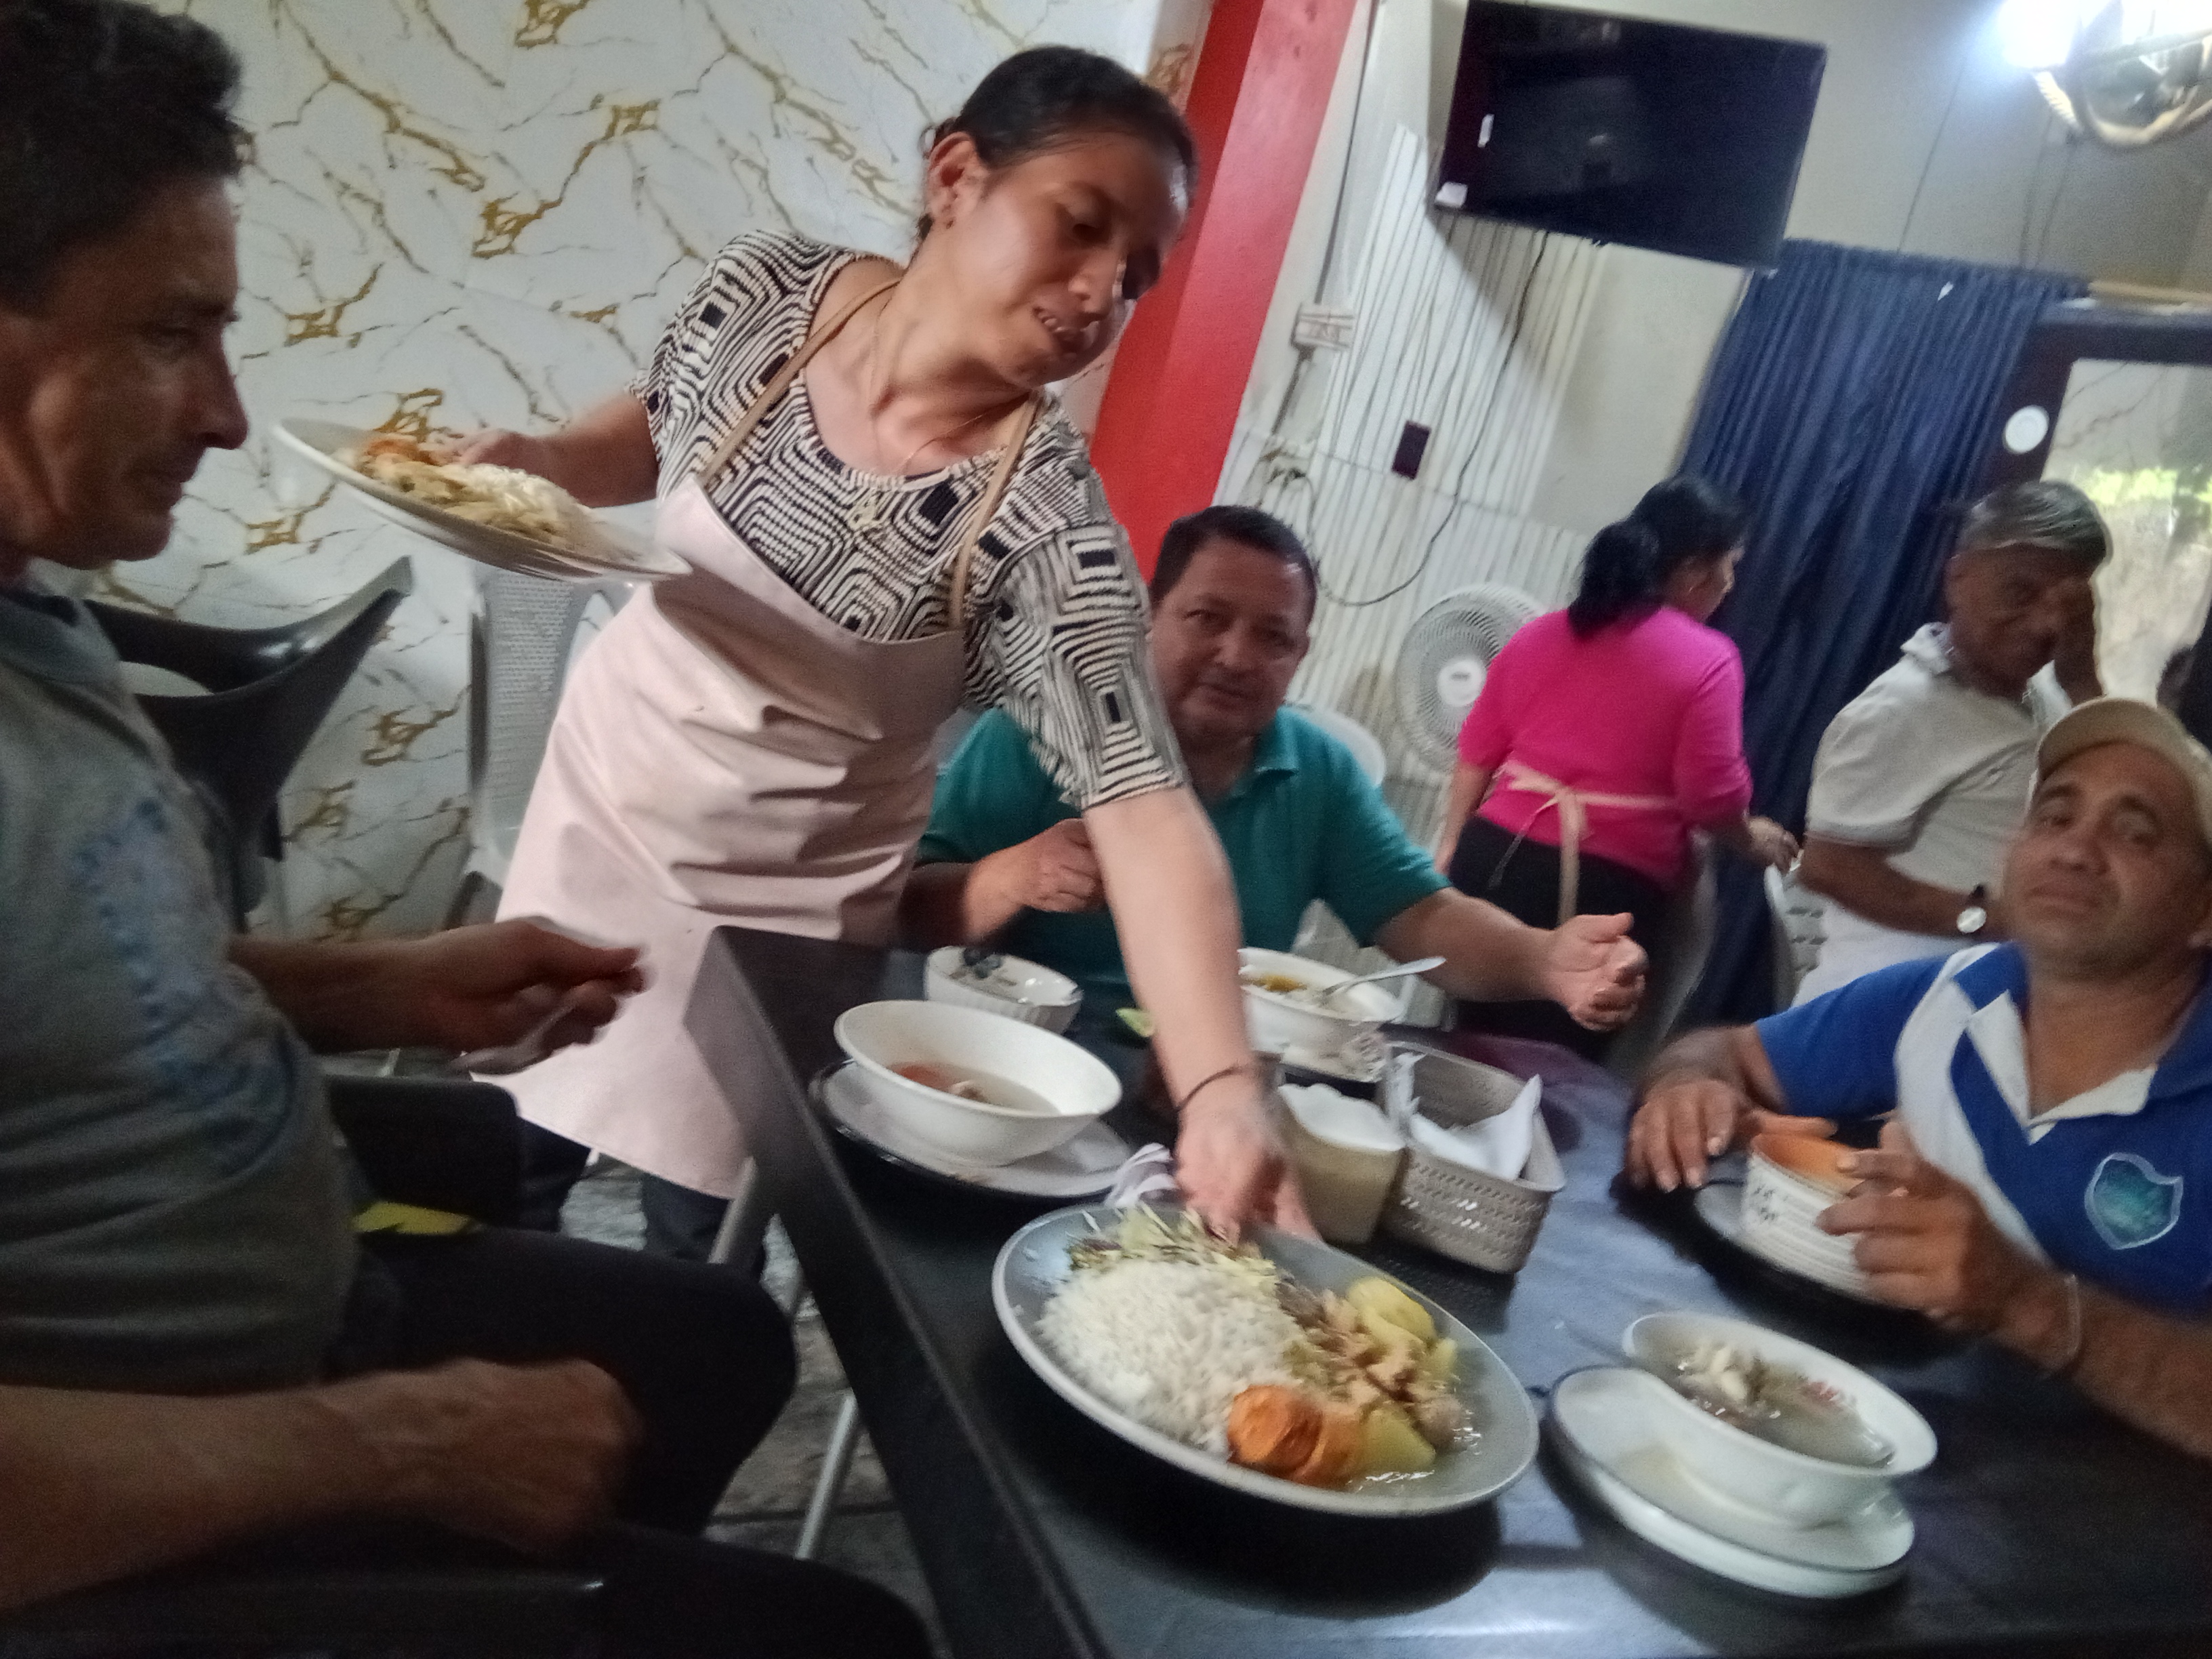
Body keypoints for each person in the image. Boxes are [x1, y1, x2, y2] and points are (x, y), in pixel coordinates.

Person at [0, 5, 926, 1650]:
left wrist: (379, 985)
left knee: (722, 1342)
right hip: (180, 1503)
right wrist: (402, 1443)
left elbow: (82, 975)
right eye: (168, 334)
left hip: (316, 1298)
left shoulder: (36, 602)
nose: (227, 414)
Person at [464, 47, 1302, 1255]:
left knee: (694, 1239)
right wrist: (545, 463)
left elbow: (1144, 808)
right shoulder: (767, 297)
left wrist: (1221, 1087)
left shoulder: (1045, 531)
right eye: (1079, 226)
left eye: (1135, 276)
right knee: (503, 1153)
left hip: (780, 924)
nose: (1098, 294)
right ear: (955, 176)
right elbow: (658, 421)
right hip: (601, 812)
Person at [1625, 697, 2212, 1459]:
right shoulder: (1952, 994)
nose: (2075, 850)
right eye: (2055, 816)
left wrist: (2029, 1305)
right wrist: (1688, 1090)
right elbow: (1724, 1053)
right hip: (1902, 1450)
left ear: (2204, 910)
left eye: (2134, 833)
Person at [904, 505, 1647, 1036]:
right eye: (1207, 619)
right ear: (1145, 616)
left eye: (1273, 638)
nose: (1237, 657)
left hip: (1217, 1081)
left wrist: (1542, 958)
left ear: (1300, 655)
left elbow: (1426, 918)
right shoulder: (1034, 732)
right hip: (1023, 1053)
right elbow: (905, 913)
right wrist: (1014, 875)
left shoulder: (1318, 773)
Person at [1433, 476, 1797, 1056]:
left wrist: (1452, 847)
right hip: (1600, 889)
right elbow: (1710, 797)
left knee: (1468, 1045)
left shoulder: (1539, 633)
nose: (1730, 584)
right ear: (1693, 571)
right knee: (1558, 1070)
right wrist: (1748, 838)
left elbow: (1477, 752)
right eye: (1731, 565)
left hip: (1489, 860)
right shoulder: (1709, 659)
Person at [1793, 480, 2108, 1003]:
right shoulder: (1902, 709)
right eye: (2021, 593)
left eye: (2069, 605)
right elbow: (1829, 866)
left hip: (1979, 1003)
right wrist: (1990, 919)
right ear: (1958, 578)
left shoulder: (2043, 696)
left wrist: (2081, 678)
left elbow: (2109, 776)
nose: (2046, 623)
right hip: (1886, 1006)